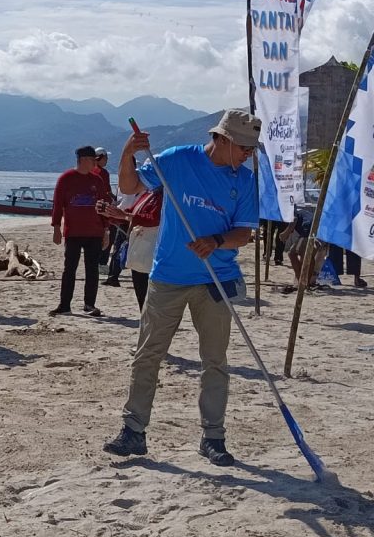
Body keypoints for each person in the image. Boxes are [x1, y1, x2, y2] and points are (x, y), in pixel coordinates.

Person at [103, 109, 261, 467]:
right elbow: (129, 188)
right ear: (221, 138)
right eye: (243, 147)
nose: (248, 154)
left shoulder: (246, 181)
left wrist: (216, 240)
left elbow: (244, 234)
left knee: (215, 361)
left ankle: (213, 437)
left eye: (252, 148)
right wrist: (128, 152)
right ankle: (133, 431)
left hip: (215, 278)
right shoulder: (177, 159)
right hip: (168, 277)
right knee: (147, 355)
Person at [49, 146, 111, 317]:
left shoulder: (97, 180)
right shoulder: (66, 178)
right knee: (69, 269)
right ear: (83, 159)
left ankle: (89, 304)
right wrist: (56, 227)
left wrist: (106, 230)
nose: (95, 163)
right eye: (93, 159)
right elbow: (58, 204)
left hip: (94, 232)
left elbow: (103, 206)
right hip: (73, 232)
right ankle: (64, 305)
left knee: (92, 269)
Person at [98, 188, 163, 310]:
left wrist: (124, 215)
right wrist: (110, 213)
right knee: (143, 297)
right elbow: (131, 214)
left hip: (152, 252)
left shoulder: (164, 194)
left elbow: (154, 219)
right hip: (140, 251)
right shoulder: (147, 194)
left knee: (152, 299)